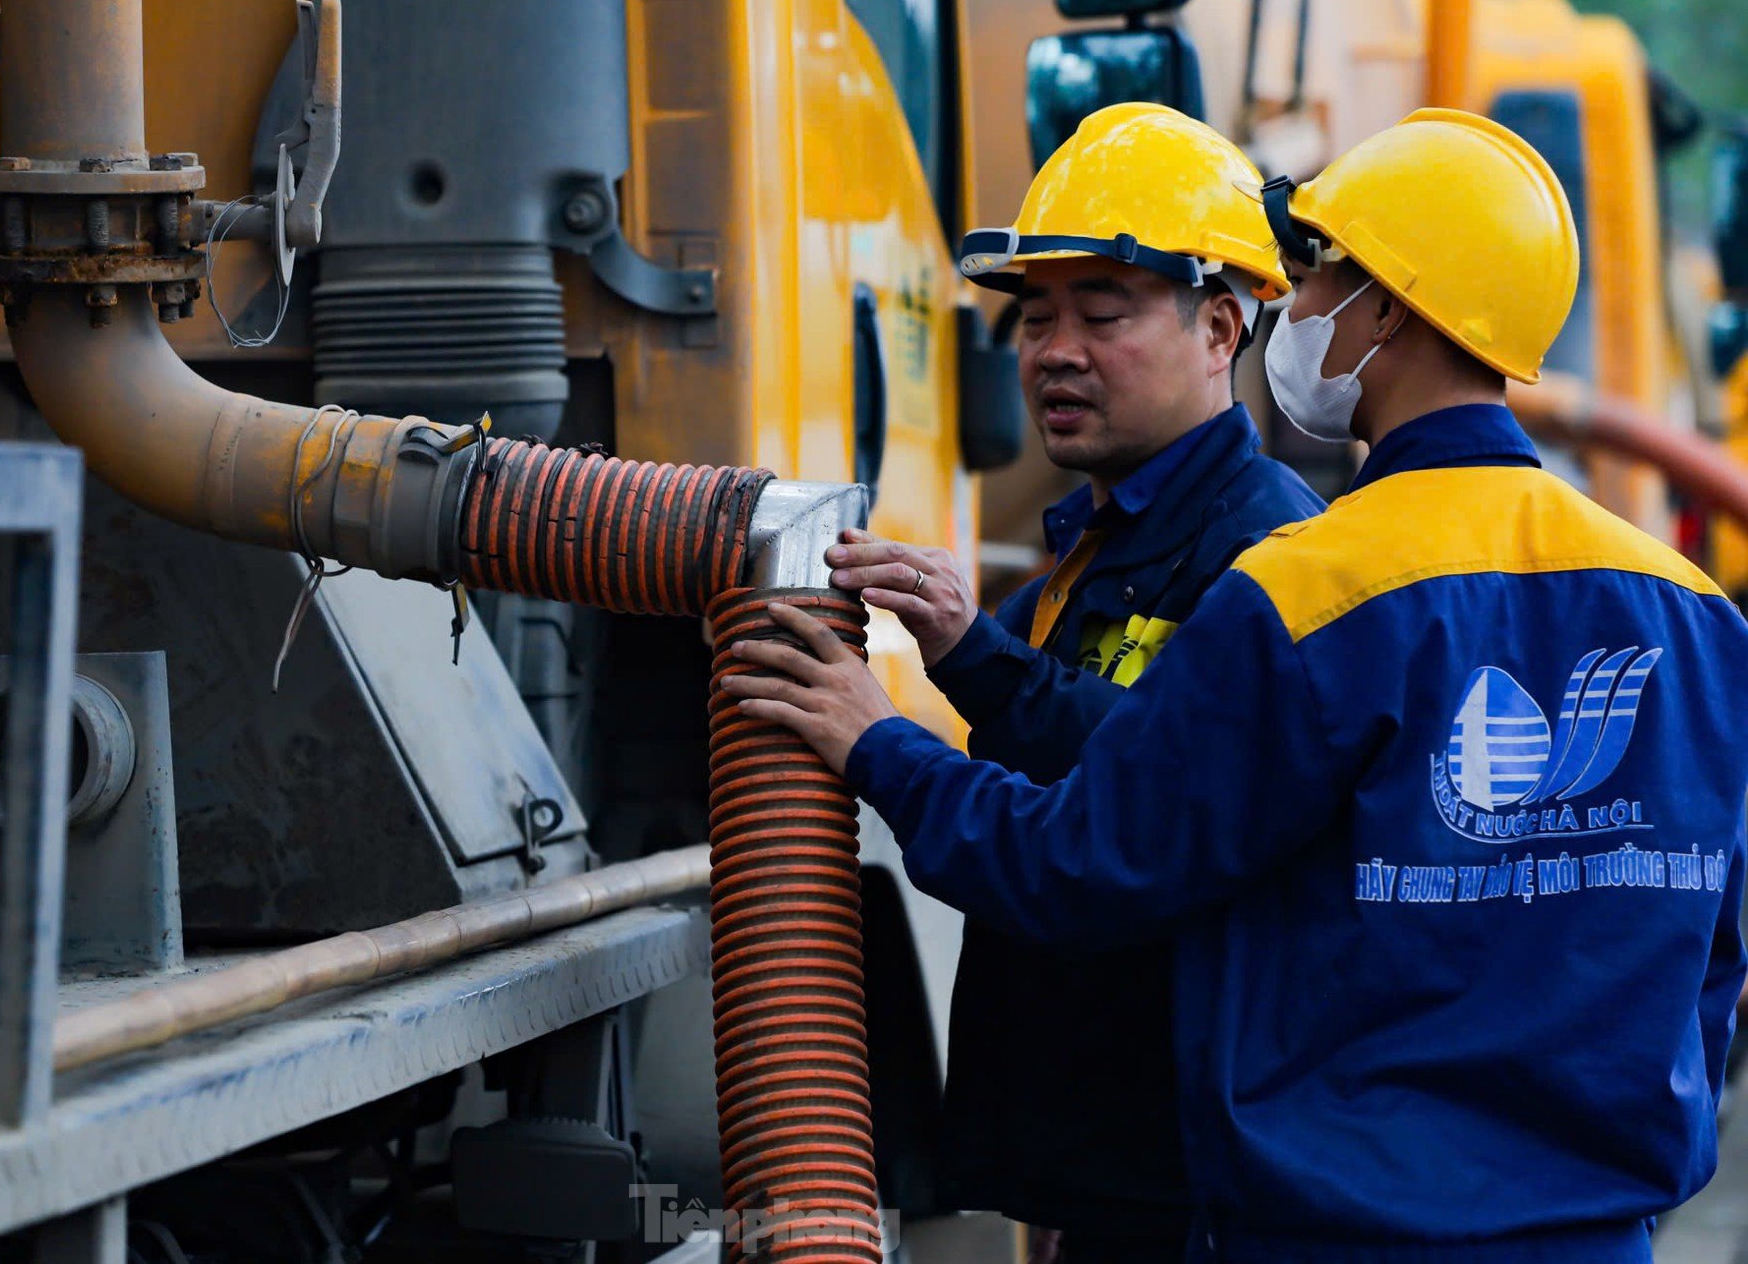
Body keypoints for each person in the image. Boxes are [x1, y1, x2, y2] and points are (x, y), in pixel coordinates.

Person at [727, 108, 1748, 1262]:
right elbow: (1712, 958)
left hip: (1335, 1232)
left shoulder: (1305, 589)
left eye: (1316, 281)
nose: (1293, 311)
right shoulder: (1696, 611)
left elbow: (1083, 861)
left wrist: (880, 745)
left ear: (1390, 310)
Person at [824, 102, 1320, 1260]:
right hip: (1112, 1180)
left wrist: (914, 714)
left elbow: (1154, 807)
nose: (1055, 349)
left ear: (1220, 327)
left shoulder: (1270, 555)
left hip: (1193, 1190)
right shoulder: (1098, 544)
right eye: (1036, 316)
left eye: (1102, 312)